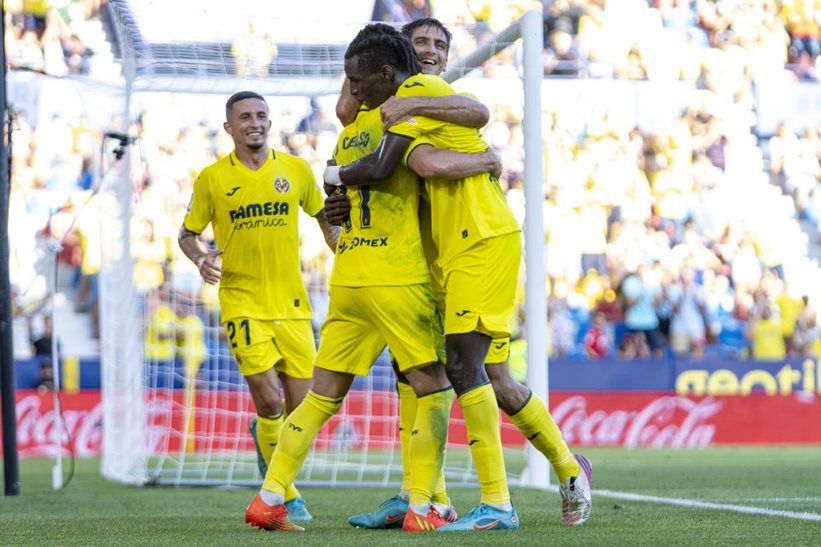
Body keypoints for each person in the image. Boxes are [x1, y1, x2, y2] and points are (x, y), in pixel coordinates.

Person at [322, 22, 592, 530]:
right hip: (432, 258)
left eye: (440, 45)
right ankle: (424, 495)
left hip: (476, 242)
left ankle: (558, 475)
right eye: (420, 42)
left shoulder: (424, 97)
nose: (431, 50)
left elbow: (462, 128)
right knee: (420, 373)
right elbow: (348, 111)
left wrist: (482, 158)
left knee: (483, 374)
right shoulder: (391, 103)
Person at [244, 25, 499, 534]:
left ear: (381, 74)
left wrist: (334, 183)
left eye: (357, 81)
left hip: (349, 276)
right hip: (396, 276)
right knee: (434, 388)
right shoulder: (403, 116)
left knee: (321, 395)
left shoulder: (347, 135)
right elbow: (413, 163)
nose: (353, 91)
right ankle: (423, 507)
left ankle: (269, 498)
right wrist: (486, 161)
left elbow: (341, 187)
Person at [178, 90, 341, 524]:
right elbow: (186, 233)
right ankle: (286, 493)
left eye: (261, 115)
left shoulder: (295, 169)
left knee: (302, 412)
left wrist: (340, 247)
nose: (255, 123)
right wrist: (200, 258)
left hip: (293, 306)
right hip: (242, 304)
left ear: (270, 122)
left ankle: (266, 446)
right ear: (229, 127)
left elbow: (322, 215)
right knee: (270, 403)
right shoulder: (212, 178)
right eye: (245, 117)